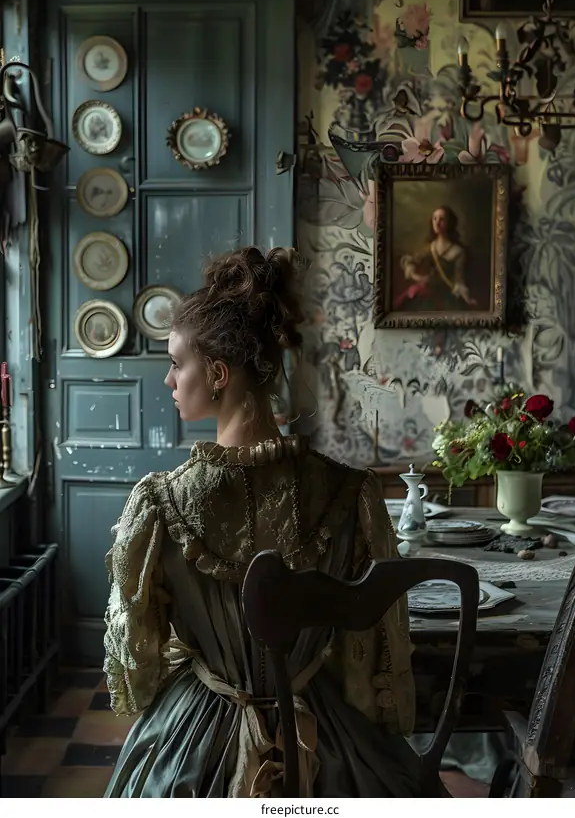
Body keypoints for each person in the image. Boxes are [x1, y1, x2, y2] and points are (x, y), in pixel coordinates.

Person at [103, 246, 419, 798]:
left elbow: (141, 659)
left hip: (199, 734)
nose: (168, 380)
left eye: (177, 364)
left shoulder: (160, 503)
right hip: (324, 726)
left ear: (218, 373)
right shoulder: (352, 491)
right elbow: (367, 644)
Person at [394, 206, 477, 311]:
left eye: (441, 219)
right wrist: (412, 270)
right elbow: (412, 260)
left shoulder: (458, 251)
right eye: (435, 218)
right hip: (428, 291)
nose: (437, 223)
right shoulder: (431, 247)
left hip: (447, 295)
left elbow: (459, 280)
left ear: (449, 223)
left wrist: (466, 297)